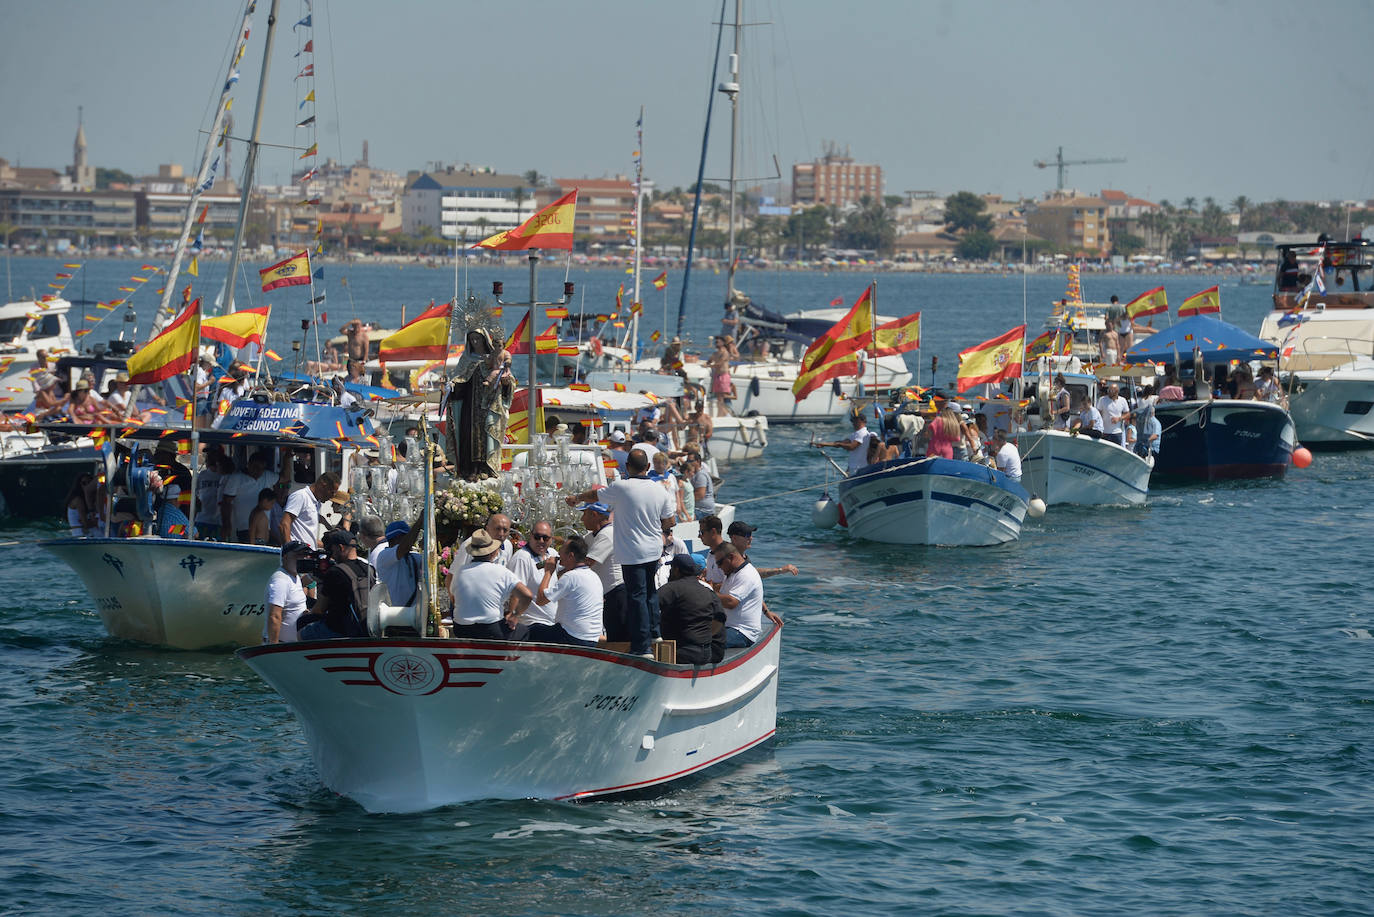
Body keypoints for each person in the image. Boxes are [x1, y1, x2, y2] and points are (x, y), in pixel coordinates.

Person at [566, 449, 675, 657]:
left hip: (632, 551)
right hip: (653, 549)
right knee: (650, 592)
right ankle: (655, 634)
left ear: (627, 467)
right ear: (648, 468)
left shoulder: (621, 487)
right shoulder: (660, 490)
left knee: (637, 597)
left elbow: (594, 495)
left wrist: (576, 498)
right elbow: (670, 522)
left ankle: (642, 647)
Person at [449, 529, 531, 641]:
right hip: (491, 629)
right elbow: (527, 595)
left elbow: (454, 597)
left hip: (461, 628)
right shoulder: (501, 571)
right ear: (493, 552)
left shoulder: (459, 572)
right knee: (524, 631)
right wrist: (515, 615)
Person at [299, 529, 375, 640]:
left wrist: (308, 612)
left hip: (339, 629)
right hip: (365, 626)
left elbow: (319, 610)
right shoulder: (369, 568)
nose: (332, 556)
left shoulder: (336, 572)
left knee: (302, 627)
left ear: (341, 548)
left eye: (333, 551)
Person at [530, 535, 603, 647]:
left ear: (570, 556)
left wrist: (548, 572)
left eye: (562, 550)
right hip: (592, 639)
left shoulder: (571, 577)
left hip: (572, 637)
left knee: (531, 630)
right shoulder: (594, 576)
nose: (558, 553)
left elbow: (540, 600)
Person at [658, 553, 725, 665]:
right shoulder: (708, 591)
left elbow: (649, 609)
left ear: (676, 570)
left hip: (682, 653)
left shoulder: (671, 588)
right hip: (706, 653)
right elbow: (720, 618)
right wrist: (705, 635)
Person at [576, 501, 626, 641]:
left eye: (584, 514)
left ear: (594, 514)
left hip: (617, 594)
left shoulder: (607, 534)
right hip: (609, 594)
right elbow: (577, 546)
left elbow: (587, 563)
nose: (582, 519)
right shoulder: (595, 535)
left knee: (618, 639)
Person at [710, 542, 765, 648]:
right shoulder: (732, 573)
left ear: (731, 557)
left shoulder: (746, 574)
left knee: (706, 642)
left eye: (720, 563)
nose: (719, 567)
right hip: (728, 627)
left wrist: (706, 594)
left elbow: (731, 602)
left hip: (742, 632)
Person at [508, 519, 558, 628]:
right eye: (537, 537)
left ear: (551, 539)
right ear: (530, 536)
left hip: (552, 622)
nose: (541, 541)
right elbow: (515, 593)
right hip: (532, 624)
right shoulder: (522, 558)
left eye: (545, 538)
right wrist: (511, 618)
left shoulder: (553, 554)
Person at [220, 450, 278, 543]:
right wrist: (227, 524)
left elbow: (285, 479)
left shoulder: (267, 476)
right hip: (246, 532)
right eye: (255, 467)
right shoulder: (256, 513)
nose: (258, 471)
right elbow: (226, 502)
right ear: (249, 464)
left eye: (261, 469)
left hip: (263, 537)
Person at [264, 540, 315, 644]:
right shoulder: (280, 580)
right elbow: (274, 615)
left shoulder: (293, 576)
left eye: (305, 555)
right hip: (282, 646)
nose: (303, 558)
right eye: (298, 555)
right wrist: (274, 648)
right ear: (285, 557)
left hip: (294, 645)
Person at [279, 471, 341, 549]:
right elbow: (284, 524)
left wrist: (329, 527)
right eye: (332, 492)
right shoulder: (301, 496)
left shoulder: (316, 503)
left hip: (307, 555)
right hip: (296, 556)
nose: (332, 496)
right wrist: (289, 550)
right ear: (323, 485)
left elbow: (309, 519)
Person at [370, 518, 423, 607]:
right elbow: (404, 547)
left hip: (412, 615)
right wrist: (420, 522)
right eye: (407, 537)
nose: (412, 542)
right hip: (393, 616)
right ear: (395, 539)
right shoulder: (384, 556)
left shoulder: (413, 557)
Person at [726, 521, 799, 579]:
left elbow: (753, 573)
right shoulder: (727, 559)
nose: (751, 538)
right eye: (747, 535)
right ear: (734, 538)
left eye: (751, 534)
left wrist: (780, 570)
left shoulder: (742, 556)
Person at [708, 337, 735, 416]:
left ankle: (722, 414)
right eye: (715, 342)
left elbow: (719, 363)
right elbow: (710, 360)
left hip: (723, 376)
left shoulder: (725, 353)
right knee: (718, 397)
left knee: (722, 397)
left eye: (718, 342)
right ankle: (721, 414)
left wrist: (709, 366)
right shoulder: (715, 353)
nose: (716, 343)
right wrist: (708, 363)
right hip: (717, 376)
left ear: (723, 343)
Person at [64, 472, 96, 537]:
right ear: (79, 485)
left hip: (87, 533)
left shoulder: (88, 499)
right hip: (80, 533)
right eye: (84, 483)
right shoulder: (78, 500)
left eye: (89, 483)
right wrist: (96, 522)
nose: (87, 485)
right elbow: (85, 523)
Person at [687, 452, 716, 519]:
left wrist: (683, 501)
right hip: (699, 509)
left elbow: (700, 495)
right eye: (687, 461)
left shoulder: (700, 475)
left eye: (690, 461)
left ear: (698, 461)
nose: (688, 463)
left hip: (703, 511)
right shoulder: (695, 474)